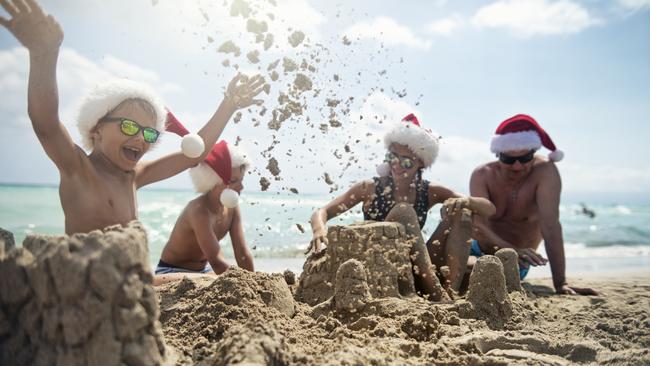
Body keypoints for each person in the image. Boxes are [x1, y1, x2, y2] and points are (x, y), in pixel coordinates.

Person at [0, 0, 265, 235]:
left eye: (150, 133)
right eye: (129, 126)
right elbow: (45, 124)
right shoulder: (78, 168)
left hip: (130, 277)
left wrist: (228, 105)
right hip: (88, 280)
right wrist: (44, 55)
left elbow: (194, 155)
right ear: (96, 130)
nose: (140, 137)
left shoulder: (134, 176)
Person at [308, 114, 495, 301]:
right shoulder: (369, 188)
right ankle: (437, 294)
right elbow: (322, 212)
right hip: (384, 266)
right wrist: (318, 230)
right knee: (403, 211)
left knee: (463, 213)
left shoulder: (429, 191)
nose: (397, 165)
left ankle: (449, 292)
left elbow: (488, 209)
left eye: (406, 162)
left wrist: (467, 202)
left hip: (419, 267)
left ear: (420, 163)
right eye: (392, 157)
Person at [470, 114, 599, 295]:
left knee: (476, 274)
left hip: (514, 264)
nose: (517, 166)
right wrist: (515, 250)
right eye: (508, 159)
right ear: (498, 153)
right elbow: (477, 227)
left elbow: (551, 227)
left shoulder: (545, 172)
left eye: (524, 159)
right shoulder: (482, 175)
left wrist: (561, 283)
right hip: (476, 249)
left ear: (534, 151)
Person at [154, 121, 254, 285]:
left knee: (212, 278)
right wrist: (244, 283)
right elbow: (216, 261)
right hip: (171, 271)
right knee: (213, 279)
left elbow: (242, 253)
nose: (241, 186)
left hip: (203, 271)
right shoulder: (199, 210)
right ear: (213, 181)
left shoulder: (232, 209)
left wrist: (255, 282)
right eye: (234, 181)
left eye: (241, 180)